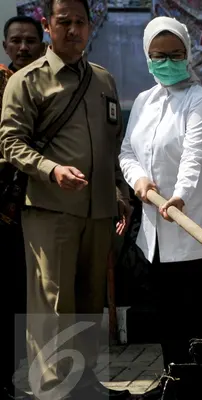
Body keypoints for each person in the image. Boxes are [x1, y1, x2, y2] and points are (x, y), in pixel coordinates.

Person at [0, 0, 133, 398]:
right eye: (63, 22)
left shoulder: (104, 80)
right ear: (47, 25)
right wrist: (51, 169)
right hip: (50, 209)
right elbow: (9, 143)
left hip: (98, 212)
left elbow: (111, 145)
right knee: (53, 303)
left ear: (90, 27)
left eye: (80, 22)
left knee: (90, 300)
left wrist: (118, 192)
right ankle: (53, 388)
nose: (72, 30)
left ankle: (85, 381)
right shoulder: (27, 81)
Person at [119, 15, 202, 380]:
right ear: (147, 56)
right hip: (156, 231)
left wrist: (180, 196)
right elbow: (127, 151)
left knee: (198, 317)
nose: (167, 62)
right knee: (166, 316)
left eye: (175, 55)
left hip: (195, 227)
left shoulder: (200, 100)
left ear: (187, 54)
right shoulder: (143, 101)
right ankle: (174, 380)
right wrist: (139, 179)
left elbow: (195, 155)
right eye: (159, 55)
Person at [0, 14, 45, 400]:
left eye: (30, 40)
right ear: (5, 45)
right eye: (16, 41)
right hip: (5, 205)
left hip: (46, 203)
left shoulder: (53, 83)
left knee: (39, 295)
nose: (23, 48)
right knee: (10, 290)